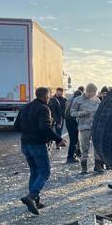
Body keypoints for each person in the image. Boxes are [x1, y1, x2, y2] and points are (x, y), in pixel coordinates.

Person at [14, 86, 66, 214]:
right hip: (37, 145)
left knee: (34, 172)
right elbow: (45, 128)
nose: (49, 98)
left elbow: (16, 126)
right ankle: (31, 197)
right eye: (48, 96)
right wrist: (58, 139)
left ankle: (35, 201)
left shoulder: (26, 107)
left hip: (25, 144)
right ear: (44, 96)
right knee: (45, 172)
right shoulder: (44, 108)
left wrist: (28, 130)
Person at [70, 83, 101, 174]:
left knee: (97, 147)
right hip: (84, 127)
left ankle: (98, 166)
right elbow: (72, 113)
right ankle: (84, 168)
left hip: (95, 127)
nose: (93, 95)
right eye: (92, 93)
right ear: (87, 91)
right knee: (84, 148)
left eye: (94, 93)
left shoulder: (97, 100)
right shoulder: (78, 100)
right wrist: (82, 113)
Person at [64, 89, 82, 163]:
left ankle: (73, 155)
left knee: (73, 139)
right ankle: (70, 156)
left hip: (68, 121)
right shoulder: (77, 101)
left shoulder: (69, 100)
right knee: (74, 140)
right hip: (73, 121)